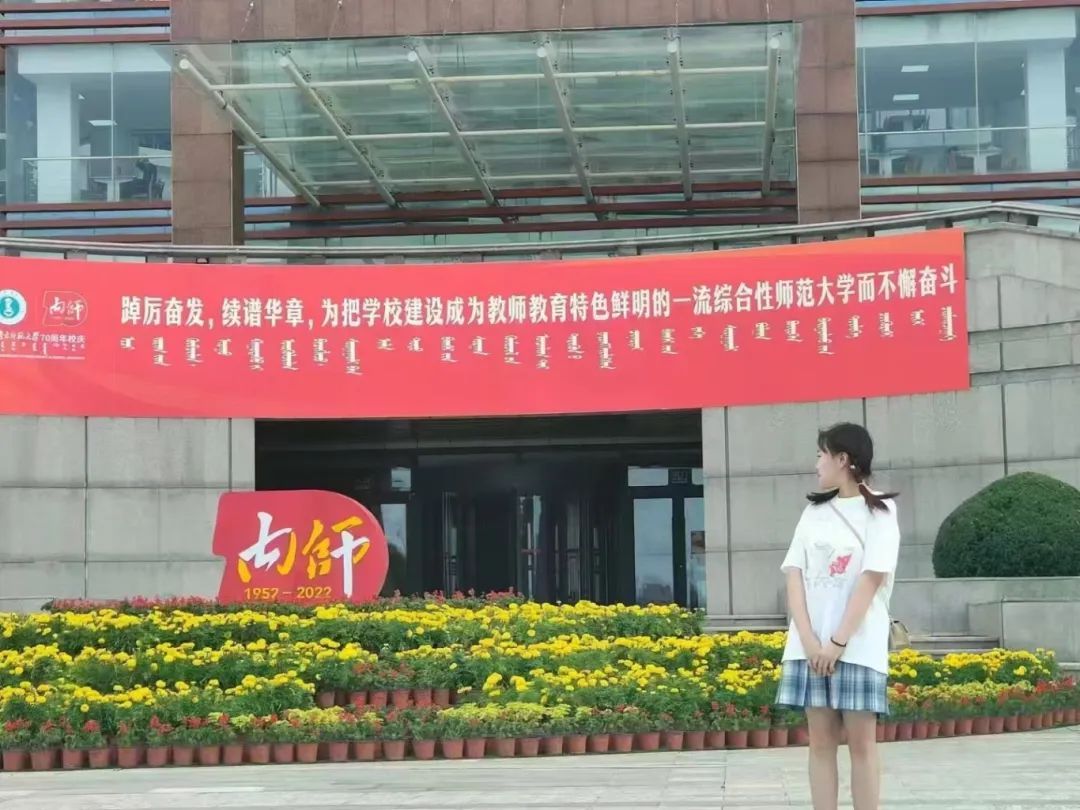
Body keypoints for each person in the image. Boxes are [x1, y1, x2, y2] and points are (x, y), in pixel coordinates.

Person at [775, 422, 900, 810]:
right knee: (820, 743)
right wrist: (811, 642)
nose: (816, 464)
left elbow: (872, 578)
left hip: (858, 646)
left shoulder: (880, 511)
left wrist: (838, 642)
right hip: (809, 648)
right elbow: (794, 575)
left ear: (843, 459)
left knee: (862, 745)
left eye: (821, 455)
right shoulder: (813, 511)